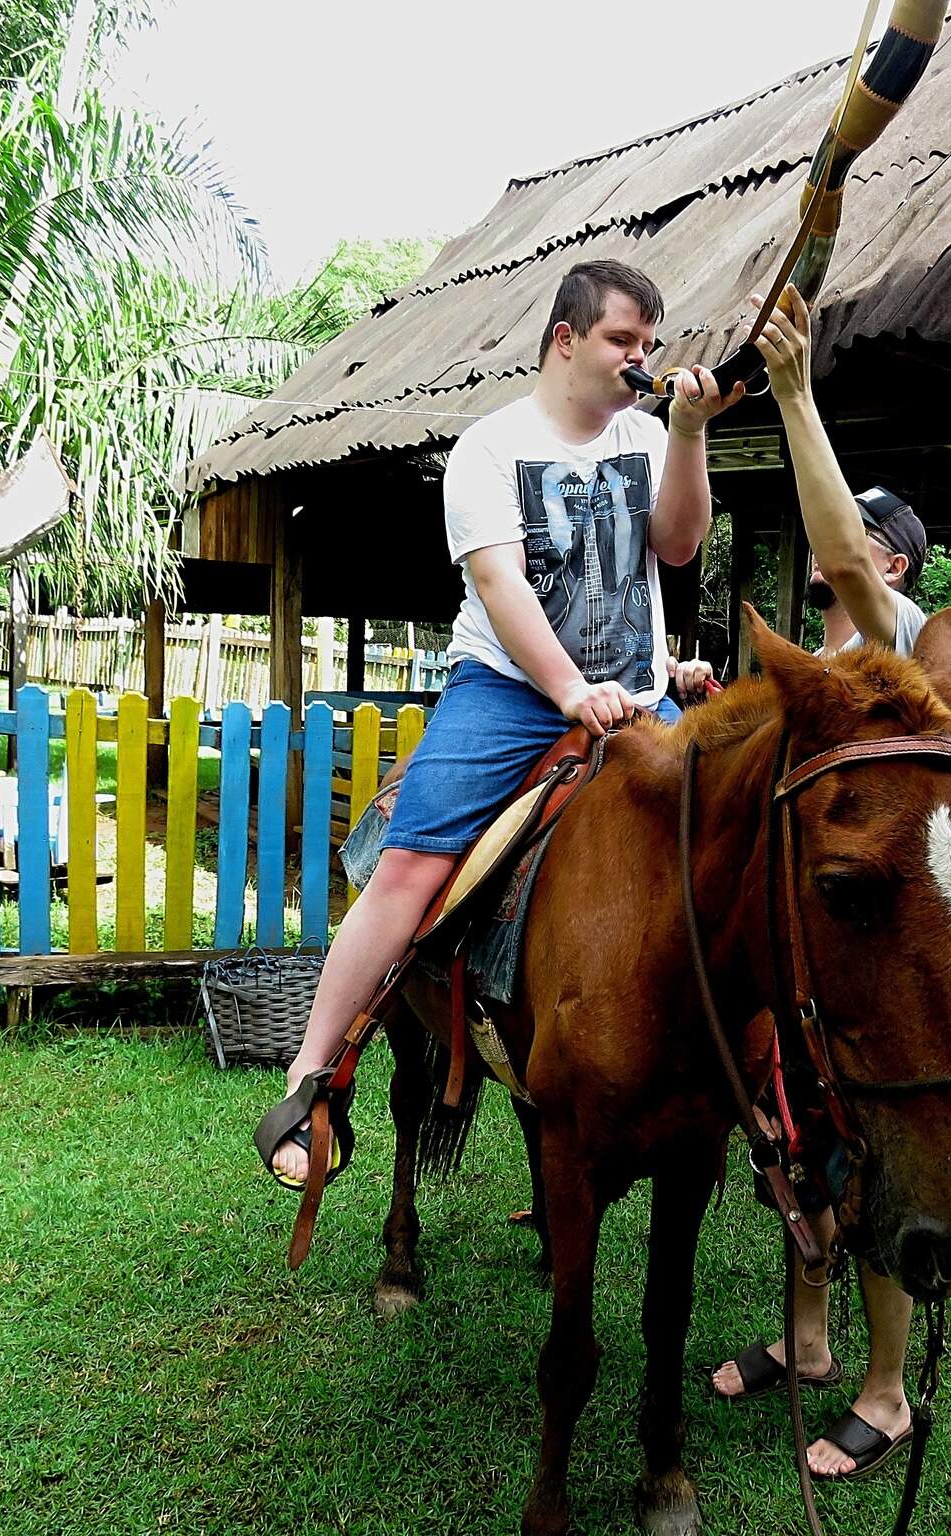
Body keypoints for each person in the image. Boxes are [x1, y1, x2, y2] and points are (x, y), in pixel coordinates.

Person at [260, 259, 743, 1185]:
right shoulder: (490, 449)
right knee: (410, 864)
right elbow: (501, 584)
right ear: (567, 339)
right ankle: (314, 1078)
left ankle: (768, 1093)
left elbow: (679, 546)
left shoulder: (647, 438)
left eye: (649, 344)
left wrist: (687, 435)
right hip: (512, 694)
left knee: (745, 842)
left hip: (641, 696)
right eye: (622, 341)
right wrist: (567, 691)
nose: (639, 359)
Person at [684, 287, 930, 1483]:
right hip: (805, 957)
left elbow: (834, 544)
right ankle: (810, 1343)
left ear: (884, 564)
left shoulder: (893, 638)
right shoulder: (831, 662)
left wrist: (792, 394)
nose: (828, 552)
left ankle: (886, 1397)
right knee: (798, 1155)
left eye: (850, 540)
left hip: (869, 962)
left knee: (865, 1165)